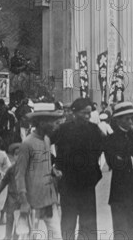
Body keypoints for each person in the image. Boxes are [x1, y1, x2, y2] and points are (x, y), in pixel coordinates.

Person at [53, 98, 104, 240]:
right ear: (75, 113)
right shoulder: (63, 129)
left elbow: (102, 148)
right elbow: (45, 145)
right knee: (68, 222)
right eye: (84, 113)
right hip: (68, 183)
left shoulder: (94, 130)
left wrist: (95, 172)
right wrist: (54, 166)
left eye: (89, 113)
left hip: (87, 184)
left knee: (88, 223)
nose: (87, 116)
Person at [15, 103, 64, 239]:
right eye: (52, 122)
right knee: (31, 237)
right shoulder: (27, 144)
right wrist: (24, 202)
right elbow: (20, 175)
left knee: (56, 235)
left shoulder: (47, 140)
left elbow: (43, 165)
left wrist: (53, 171)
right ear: (42, 123)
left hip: (49, 199)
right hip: (33, 201)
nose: (55, 125)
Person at [104, 102, 133, 240]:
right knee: (119, 231)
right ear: (118, 120)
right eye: (126, 119)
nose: (130, 122)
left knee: (131, 230)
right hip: (118, 191)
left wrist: (124, 161)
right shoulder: (110, 140)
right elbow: (113, 163)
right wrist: (132, 161)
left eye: (132, 118)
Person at [0, 142, 22, 240]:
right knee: (10, 217)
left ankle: (16, 236)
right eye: (16, 154)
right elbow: (4, 181)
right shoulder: (11, 169)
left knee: (20, 220)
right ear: (13, 156)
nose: (18, 157)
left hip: (22, 197)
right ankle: (8, 235)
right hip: (12, 197)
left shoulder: (27, 169)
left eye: (20, 154)